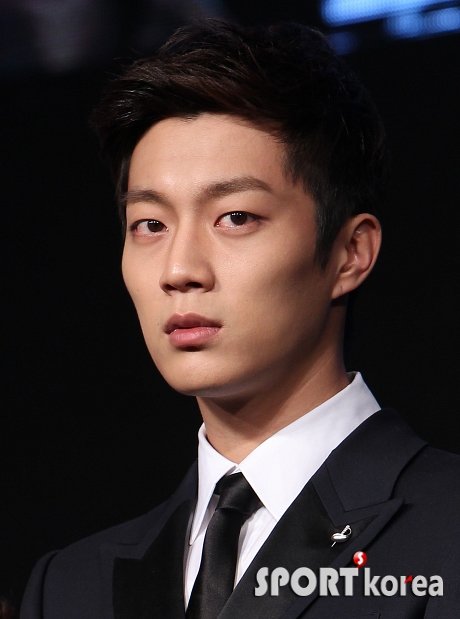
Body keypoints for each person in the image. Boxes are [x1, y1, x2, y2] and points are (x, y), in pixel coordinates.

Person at [20, 18, 460, 619]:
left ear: (349, 253)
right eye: (150, 224)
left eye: (235, 217)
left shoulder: (447, 531)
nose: (179, 269)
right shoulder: (70, 588)